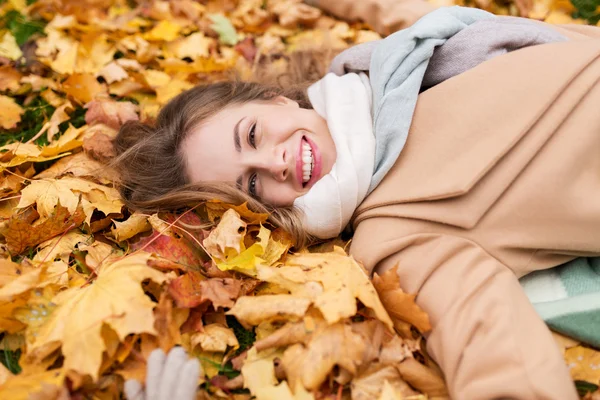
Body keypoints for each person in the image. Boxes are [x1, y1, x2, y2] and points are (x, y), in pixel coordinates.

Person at [115, 6, 600, 400]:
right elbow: (494, 348)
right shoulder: (394, 234)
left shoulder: (401, 57)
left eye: (254, 134)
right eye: (253, 186)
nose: (275, 163)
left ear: (277, 99)